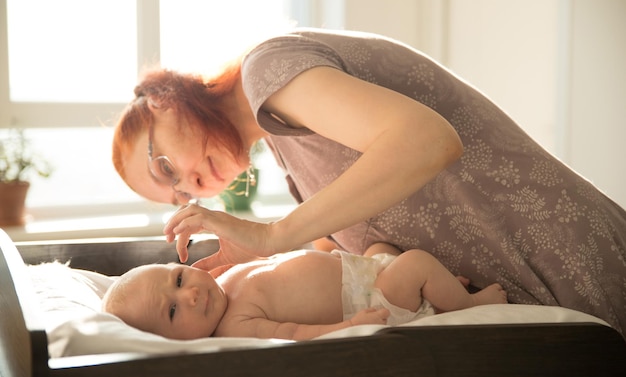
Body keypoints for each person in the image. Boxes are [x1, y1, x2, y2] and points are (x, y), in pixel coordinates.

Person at [112, 28, 626, 337]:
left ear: (162, 101)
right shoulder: (291, 161)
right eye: (179, 194)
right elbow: (348, 265)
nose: (193, 186)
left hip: (563, 251)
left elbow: (427, 140)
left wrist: (273, 235)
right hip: (530, 292)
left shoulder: (269, 69)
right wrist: (261, 260)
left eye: (165, 167)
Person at [102, 241, 508, 340]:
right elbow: (296, 334)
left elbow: (276, 264)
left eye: (177, 279)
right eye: (173, 312)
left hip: (363, 269)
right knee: (414, 263)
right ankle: (469, 304)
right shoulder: (234, 326)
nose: (189, 294)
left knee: (381, 249)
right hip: (371, 301)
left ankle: (436, 293)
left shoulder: (221, 281)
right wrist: (352, 325)